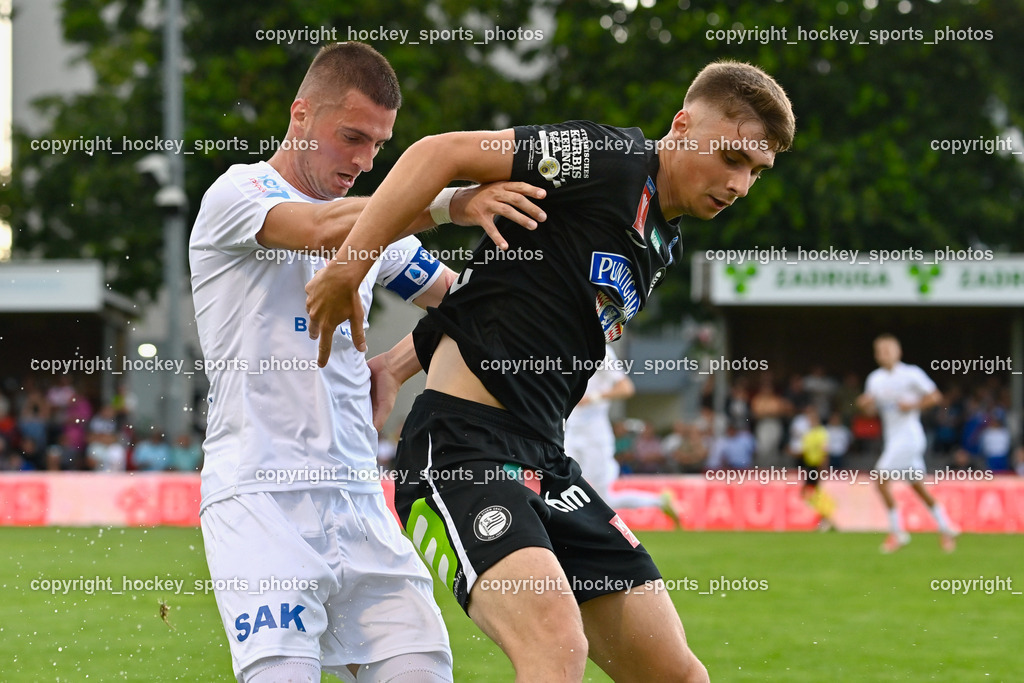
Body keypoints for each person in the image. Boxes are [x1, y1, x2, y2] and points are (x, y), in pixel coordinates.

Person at [306, 59, 794, 682]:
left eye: (756, 170)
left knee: (680, 677)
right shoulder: (609, 157)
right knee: (556, 649)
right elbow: (438, 152)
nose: (740, 184)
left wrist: (398, 365)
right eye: (731, 157)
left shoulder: (663, 236)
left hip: (547, 460)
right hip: (461, 450)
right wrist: (353, 264)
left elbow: (506, 293)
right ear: (682, 124)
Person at [189, 42, 546, 683]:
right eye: (351, 136)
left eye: (379, 146)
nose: (364, 159)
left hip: (359, 499)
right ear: (300, 115)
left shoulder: (379, 226)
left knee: (424, 672)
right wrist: (451, 202)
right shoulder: (239, 192)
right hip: (262, 496)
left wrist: (398, 365)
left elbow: (467, 306)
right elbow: (328, 230)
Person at [856, 334, 959, 553]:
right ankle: (946, 527)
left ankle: (898, 532)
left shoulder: (911, 374)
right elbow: (871, 410)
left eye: (888, 349)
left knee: (880, 478)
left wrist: (913, 405)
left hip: (910, 437)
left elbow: (935, 396)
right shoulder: (875, 379)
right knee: (917, 486)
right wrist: (864, 405)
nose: (884, 354)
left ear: (898, 351)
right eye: (880, 350)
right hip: (893, 438)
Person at [564, 345, 681, 527]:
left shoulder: (601, 351)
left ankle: (661, 501)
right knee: (562, 485)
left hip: (595, 436)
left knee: (604, 500)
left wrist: (592, 398)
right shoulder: (564, 347)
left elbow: (626, 388)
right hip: (571, 433)